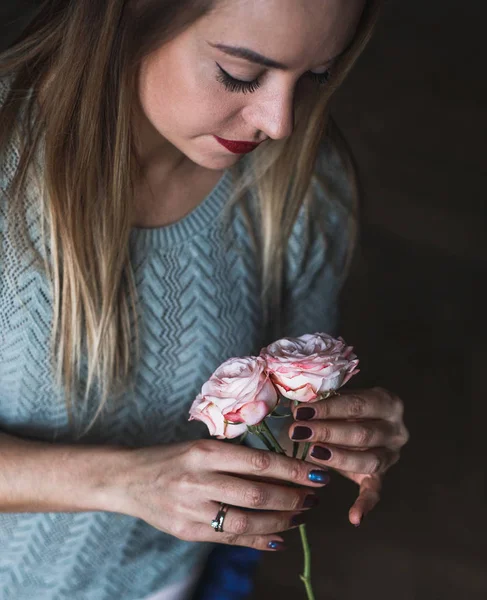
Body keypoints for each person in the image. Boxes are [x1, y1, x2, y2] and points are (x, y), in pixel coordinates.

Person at [0, 1, 409, 598]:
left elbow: (269, 424)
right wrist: (123, 482)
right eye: (241, 73)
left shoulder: (300, 186)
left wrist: (336, 433)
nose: (279, 122)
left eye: (315, 76)